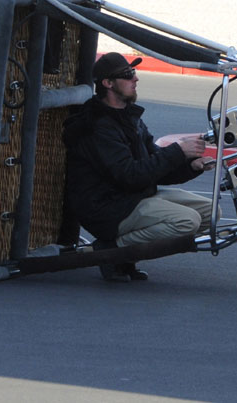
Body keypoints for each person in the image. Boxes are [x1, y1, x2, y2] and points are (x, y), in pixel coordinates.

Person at [63, 52, 216, 282]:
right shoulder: (98, 126)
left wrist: (192, 166)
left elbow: (154, 166)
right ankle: (112, 250)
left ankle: (124, 256)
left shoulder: (128, 117)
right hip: (107, 206)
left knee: (211, 214)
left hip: (130, 196)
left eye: (133, 73)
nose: (135, 79)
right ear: (108, 84)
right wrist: (178, 150)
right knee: (187, 221)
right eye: (127, 75)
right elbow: (130, 175)